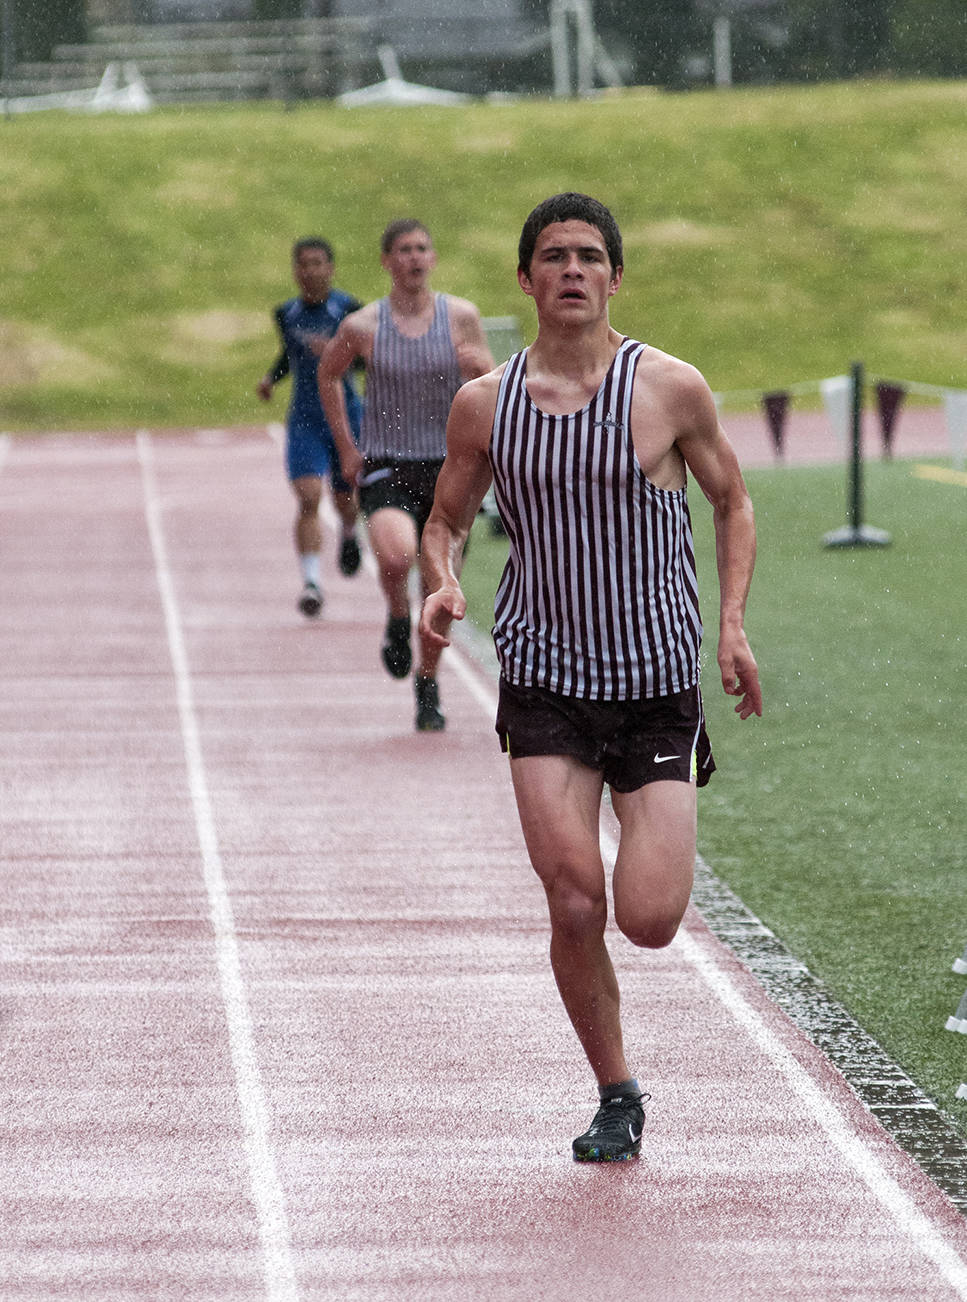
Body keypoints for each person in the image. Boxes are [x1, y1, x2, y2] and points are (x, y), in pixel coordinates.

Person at [419, 193, 762, 1161]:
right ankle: (616, 1092)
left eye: (589, 257)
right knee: (573, 899)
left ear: (614, 277)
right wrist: (442, 585)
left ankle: (651, 831)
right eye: (554, 257)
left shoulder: (667, 390)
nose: (572, 270)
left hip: (654, 679)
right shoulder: (485, 404)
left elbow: (733, 502)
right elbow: (444, 519)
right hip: (544, 678)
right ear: (524, 280)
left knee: (647, 919)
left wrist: (730, 628)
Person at [318, 218, 494, 731]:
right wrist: (347, 447)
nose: (414, 258)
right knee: (396, 558)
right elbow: (329, 373)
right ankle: (397, 613)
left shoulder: (461, 318)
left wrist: (482, 365)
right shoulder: (363, 326)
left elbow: (492, 385)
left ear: (433, 258)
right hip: (388, 463)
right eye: (403, 250)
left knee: (439, 585)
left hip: (450, 467)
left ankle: (428, 683)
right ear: (387, 261)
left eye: (422, 248)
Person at [256, 237, 365, 618]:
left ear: (331, 268)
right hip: (304, 418)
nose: (311, 271)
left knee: (344, 500)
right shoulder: (286, 313)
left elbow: (370, 361)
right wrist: (271, 378)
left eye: (318, 263)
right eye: (303, 264)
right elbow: (290, 354)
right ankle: (312, 583)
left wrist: (339, 354)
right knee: (307, 497)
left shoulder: (350, 310)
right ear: (295, 270)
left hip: (347, 416)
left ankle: (350, 533)